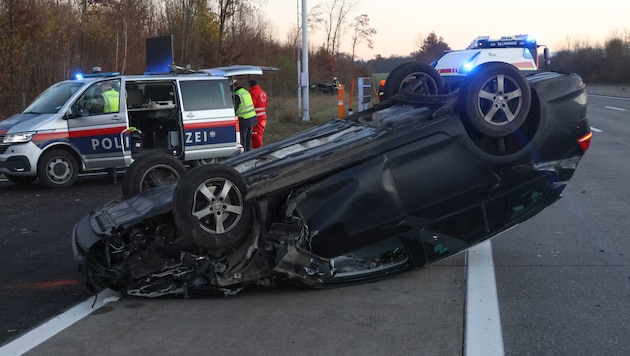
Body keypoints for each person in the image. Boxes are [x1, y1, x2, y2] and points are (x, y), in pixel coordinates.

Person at [231, 80, 257, 152]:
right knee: (248, 139)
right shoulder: (246, 92)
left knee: (243, 139)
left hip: (244, 120)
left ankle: (244, 155)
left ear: (233, 86)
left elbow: (233, 108)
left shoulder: (237, 95)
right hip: (252, 119)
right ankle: (248, 152)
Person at [248, 80, 268, 149]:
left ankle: (258, 151)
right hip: (263, 117)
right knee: (260, 135)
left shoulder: (252, 93)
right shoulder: (262, 92)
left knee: (256, 135)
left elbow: (251, 105)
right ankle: (258, 149)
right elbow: (266, 104)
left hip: (257, 117)